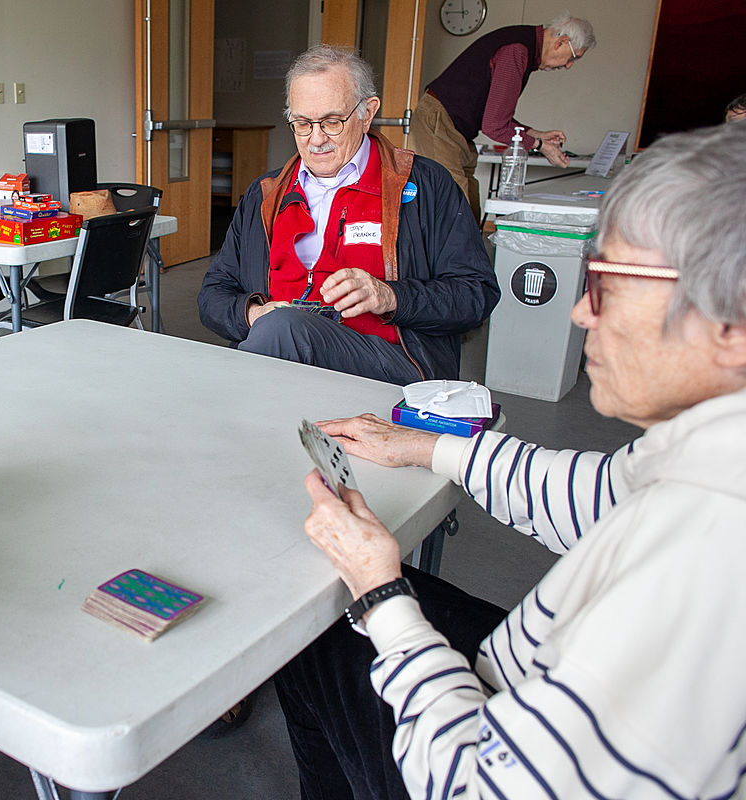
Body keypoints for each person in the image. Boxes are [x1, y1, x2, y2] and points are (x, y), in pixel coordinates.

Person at [274, 121, 746, 798]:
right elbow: (605, 494)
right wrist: (428, 446)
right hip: (538, 671)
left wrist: (381, 594)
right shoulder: (712, 448)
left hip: (490, 745)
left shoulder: (702, 560)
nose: (582, 312)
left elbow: (477, 785)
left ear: (731, 324)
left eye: (607, 283)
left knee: (320, 630)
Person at [198, 45, 498, 384]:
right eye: (301, 123)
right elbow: (213, 295)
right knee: (275, 331)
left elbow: (476, 294)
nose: (316, 139)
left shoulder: (425, 185)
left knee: (281, 334)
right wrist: (254, 314)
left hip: (389, 360)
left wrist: (392, 296)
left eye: (331, 122)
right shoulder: (265, 194)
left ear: (367, 113)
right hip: (277, 354)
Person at [409, 13, 596, 219]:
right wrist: (539, 145)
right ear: (561, 42)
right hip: (440, 120)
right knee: (453, 207)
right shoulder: (516, 51)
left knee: (468, 205)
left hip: (456, 128)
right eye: (573, 58)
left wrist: (536, 135)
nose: (569, 66)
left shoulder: (523, 46)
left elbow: (498, 117)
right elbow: (494, 126)